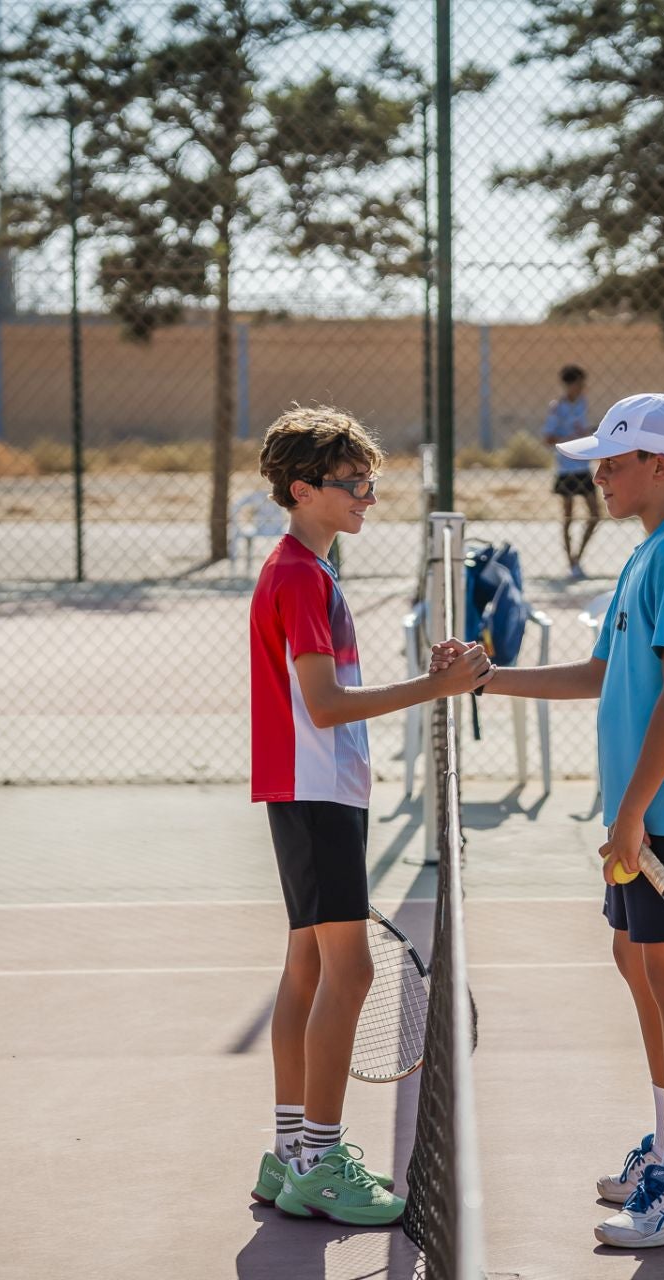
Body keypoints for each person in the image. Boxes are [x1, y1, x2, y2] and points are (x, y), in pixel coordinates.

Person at [436, 392, 664, 1250]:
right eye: (596, 461)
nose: (596, 475)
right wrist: (488, 676)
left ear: (660, 465)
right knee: (635, 961)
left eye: (612, 461)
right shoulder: (647, 555)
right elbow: (603, 673)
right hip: (648, 811)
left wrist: (637, 812)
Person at [248, 406, 493, 1226]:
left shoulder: (303, 570)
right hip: (315, 794)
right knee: (345, 973)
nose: (369, 498)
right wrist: (438, 690)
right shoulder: (300, 576)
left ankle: (290, 1155)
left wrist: (430, 680)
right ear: (303, 488)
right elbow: (322, 706)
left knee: (308, 972)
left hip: (312, 793)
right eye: (353, 484)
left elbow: (322, 698)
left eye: (370, 482)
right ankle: (318, 1157)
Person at [544, 364, 601, 578]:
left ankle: (578, 556)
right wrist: (571, 441)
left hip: (583, 466)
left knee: (595, 515)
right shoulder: (557, 408)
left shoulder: (582, 404)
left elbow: (582, 429)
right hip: (566, 469)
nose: (583, 388)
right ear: (570, 384)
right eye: (579, 384)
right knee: (568, 517)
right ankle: (571, 563)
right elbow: (548, 438)